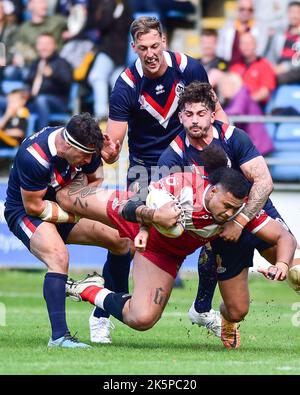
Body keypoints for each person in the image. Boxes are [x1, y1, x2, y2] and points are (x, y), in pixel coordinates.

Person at [57, 154, 297, 350]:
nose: (228, 213)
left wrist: (283, 265)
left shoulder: (238, 212)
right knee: (67, 199)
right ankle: (53, 185)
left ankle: (87, 288)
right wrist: (147, 225)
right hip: (135, 212)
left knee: (142, 319)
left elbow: (283, 237)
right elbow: (149, 198)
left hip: (162, 254)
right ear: (212, 192)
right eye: (226, 206)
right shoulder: (186, 185)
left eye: (234, 209)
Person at [93, 15, 229, 342]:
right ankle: (101, 312)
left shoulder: (190, 68)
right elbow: (114, 141)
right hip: (146, 169)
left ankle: (201, 307)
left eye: (155, 45)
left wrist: (227, 155)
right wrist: (109, 151)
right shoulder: (126, 84)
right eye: (143, 48)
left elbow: (217, 114)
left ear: (164, 42)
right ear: (134, 48)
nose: (150, 53)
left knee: (218, 228)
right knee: (123, 238)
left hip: (188, 165)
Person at [156, 81, 300, 346]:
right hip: (220, 229)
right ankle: (221, 317)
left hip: (253, 211)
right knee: (237, 310)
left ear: (213, 114)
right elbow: (163, 202)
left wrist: (242, 220)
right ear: (180, 117)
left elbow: (265, 182)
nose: (195, 120)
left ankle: (202, 306)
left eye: (201, 114)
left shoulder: (234, 138)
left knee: (297, 271)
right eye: (189, 115)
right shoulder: (173, 157)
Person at [4, 112, 132, 348]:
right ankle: (59, 337)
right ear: (66, 145)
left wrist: (70, 196)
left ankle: (110, 307)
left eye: (90, 155)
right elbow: (34, 206)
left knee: (121, 240)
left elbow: (96, 179)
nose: (87, 161)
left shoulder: (87, 148)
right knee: (59, 257)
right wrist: (73, 211)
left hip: (62, 206)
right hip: (25, 212)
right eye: (83, 155)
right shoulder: (35, 156)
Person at [26, 33, 73, 130]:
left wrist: (53, 75)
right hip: (34, 100)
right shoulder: (35, 63)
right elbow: (28, 82)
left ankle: (41, 137)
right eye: (41, 44)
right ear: (37, 46)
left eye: (47, 44)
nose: (44, 47)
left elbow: (67, 83)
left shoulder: (61, 63)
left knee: (41, 99)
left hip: (57, 102)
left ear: (54, 46)